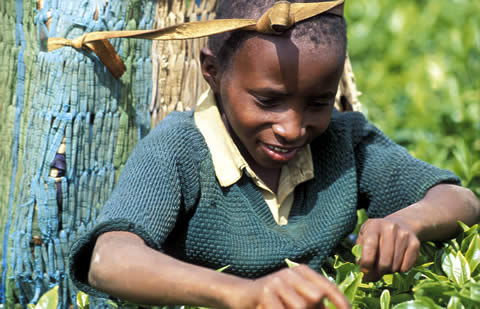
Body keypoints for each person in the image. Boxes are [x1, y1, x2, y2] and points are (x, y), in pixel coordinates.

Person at [69, 1, 480, 308]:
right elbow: (108, 260)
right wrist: (245, 295)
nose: (292, 128)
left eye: (318, 103)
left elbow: (460, 200)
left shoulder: (342, 140)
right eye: (268, 100)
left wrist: (409, 221)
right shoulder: (178, 150)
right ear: (212, 70)